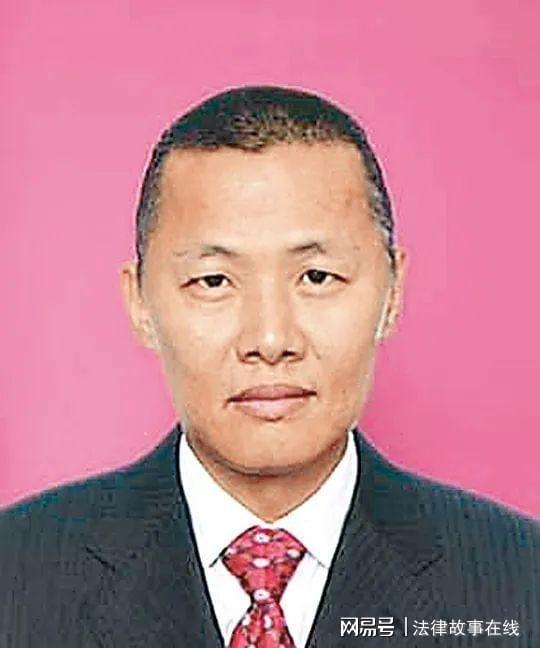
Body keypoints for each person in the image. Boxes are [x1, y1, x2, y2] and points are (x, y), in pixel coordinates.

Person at [0, 86, 538, 648]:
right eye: (213, 281)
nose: (270, 339)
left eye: (317, 277)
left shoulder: (519, 581)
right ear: (140, 304)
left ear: (393, 293)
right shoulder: (17, 573)